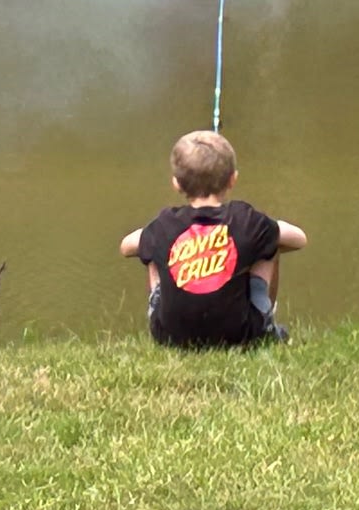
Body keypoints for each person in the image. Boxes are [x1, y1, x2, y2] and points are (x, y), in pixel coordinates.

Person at [118, 130, 307, 349]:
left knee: (150, 249)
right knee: (270, 242)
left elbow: (126, 247)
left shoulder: (164, 224)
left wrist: (188, 252)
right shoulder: (247, 220)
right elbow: (299, 239)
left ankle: (175, 321)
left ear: (176, 183)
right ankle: (266, 325)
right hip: (242, 335)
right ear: (232, 179)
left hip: (169, 337)